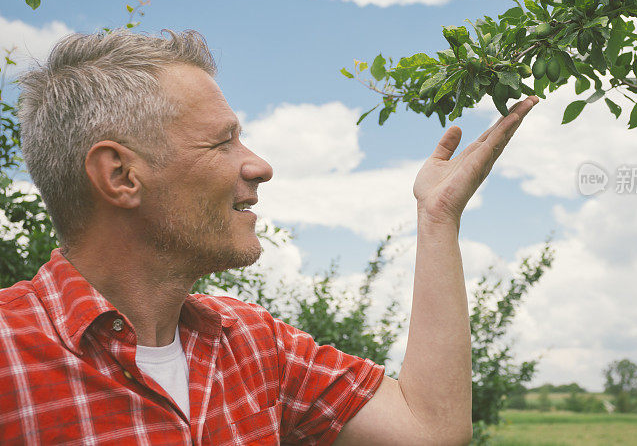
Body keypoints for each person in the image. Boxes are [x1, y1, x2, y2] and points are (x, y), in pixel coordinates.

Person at [0, 29, 538, 445]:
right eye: (222, 143)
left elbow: (430, 430)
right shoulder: (10, 355)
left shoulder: (254, 344)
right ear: (120, 176)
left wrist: (437, 218)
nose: (260, 166)